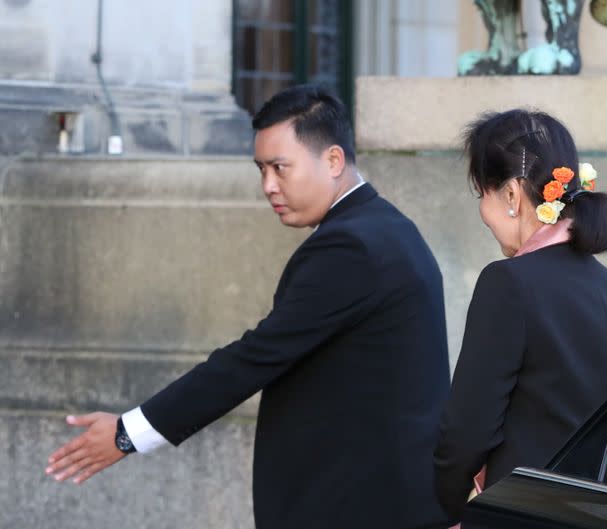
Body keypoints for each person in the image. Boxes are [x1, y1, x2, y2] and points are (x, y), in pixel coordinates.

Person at [45, 84, 452, 529]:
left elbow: (255, 356)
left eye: (280, 168)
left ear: (333, 160)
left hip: (362, 504)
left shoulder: (352, 245)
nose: (268, 186)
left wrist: (129, 433)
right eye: (261, 169)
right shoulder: (384, 228)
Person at [433, 109, 607, 523]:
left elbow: (467, 430)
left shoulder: (508, 283)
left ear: (512, 195)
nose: (482, 210)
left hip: (520, 513)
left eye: (483, 192)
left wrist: (446, 507)